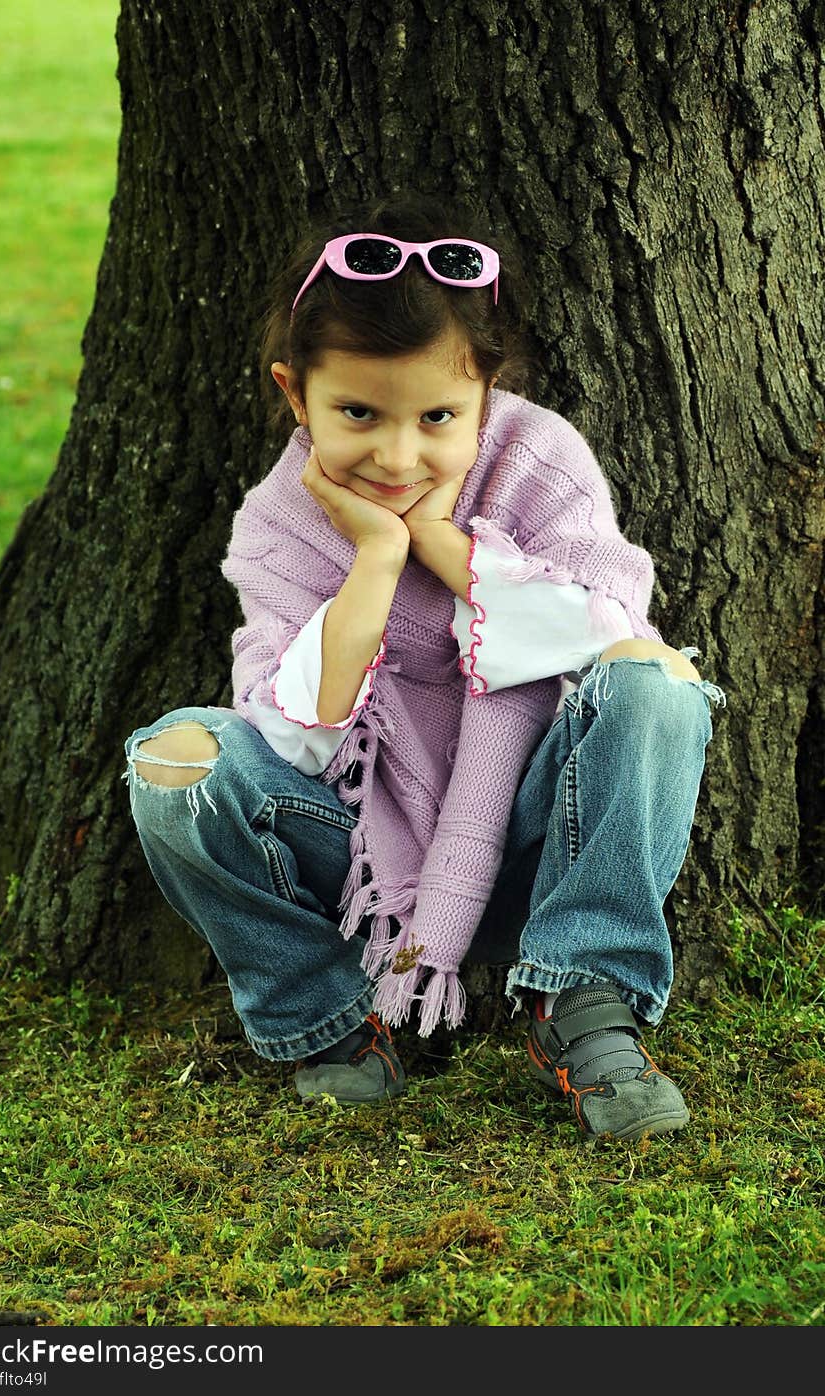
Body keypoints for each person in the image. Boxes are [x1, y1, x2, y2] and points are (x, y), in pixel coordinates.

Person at [123, 192, 726, 1144]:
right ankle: (325, 1020)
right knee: (175, 762)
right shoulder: (278, 526)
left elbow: (611, 635)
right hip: (364, 853)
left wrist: (440, 542)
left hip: (546, 841)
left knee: (660, 683)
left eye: (440, 415)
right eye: (357, 412)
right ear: (294, 393)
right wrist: (374, 559)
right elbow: (296, 735)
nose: (397, 455)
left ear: (488, 393)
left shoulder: (541, 463)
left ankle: (585, 995)